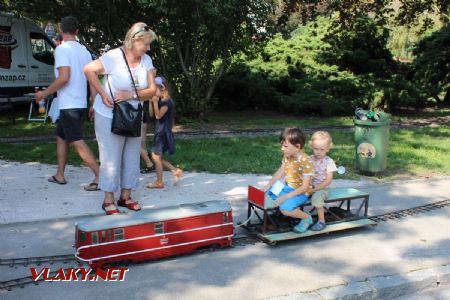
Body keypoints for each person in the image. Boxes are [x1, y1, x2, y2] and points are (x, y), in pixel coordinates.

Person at [84, 22, 157, 215]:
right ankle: (108, 199)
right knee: (111, 157)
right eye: (146, 44)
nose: (148, 48)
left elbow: (152, 90)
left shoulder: (146, 60)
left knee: (132, 156)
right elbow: (88, 70)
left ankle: (126, 196)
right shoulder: (113, 56)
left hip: (132, 114)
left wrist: (131, 94)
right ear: (135, 40)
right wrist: (101, 94)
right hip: (109, 114)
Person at [35, 16, 100, 191]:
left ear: (60, 31)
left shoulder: (62, 50)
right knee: (62, 137)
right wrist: (93, 103)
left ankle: (100, 176)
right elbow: (91, 80)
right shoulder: (85, 52)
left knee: (76, 140)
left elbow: (64, 78)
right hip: (79, 103)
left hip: (69, 104)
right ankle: (60, 175)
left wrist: (44, 93)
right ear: (77, 31)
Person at [262, 127, 315, 233]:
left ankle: (306, 218)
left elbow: (305, 187)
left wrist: (285, 197)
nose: (282, 148)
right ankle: (277, 214)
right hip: (288, 188)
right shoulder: (288, 156)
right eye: (282, 145)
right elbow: (280, 172)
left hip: (302, 192)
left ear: (297, 146)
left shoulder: (305, 161)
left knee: (285, 209)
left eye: (285, 146)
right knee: (268, 195)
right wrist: (267, 186)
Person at [145, 76, 182, 189]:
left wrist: (156, 103)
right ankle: (175, 171)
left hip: (162, 133)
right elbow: (152, 115)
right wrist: (152, 102)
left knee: (155, 157)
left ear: (162, 88)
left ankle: (159, 182)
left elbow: (158, 115)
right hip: (160, 131)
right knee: (157, 158)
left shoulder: (166, 102)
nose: (152, 91)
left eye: (154, 89)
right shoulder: (161, 101)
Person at [309, 131, 337, 231]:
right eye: (316, 149)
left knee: (317, 198)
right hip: (309, 187)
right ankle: (297, 216)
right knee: (294, 193)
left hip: (322, 189)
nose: (318, 152)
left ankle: (321, 221)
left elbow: (328, 181)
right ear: (312, 146)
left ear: (327, 149)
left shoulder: (329, 162)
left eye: (322, 149)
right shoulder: (309, 159)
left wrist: (314, 189)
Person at [140, 100, 156, 174]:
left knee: (138, 143)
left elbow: (151, 114)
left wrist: (150, 102)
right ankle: (149, 163)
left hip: (140, 116)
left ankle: (149, 164)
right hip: (140, 115)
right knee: (141, 143)